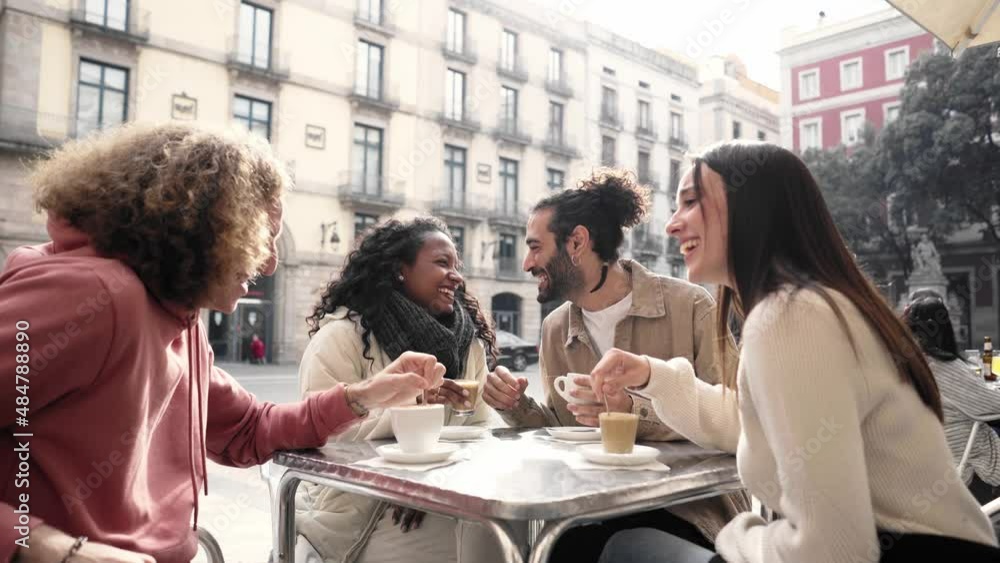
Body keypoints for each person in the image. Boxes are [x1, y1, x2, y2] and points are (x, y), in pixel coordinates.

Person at [0, 124, 447, 563]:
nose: (271, 263)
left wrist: (364, 396)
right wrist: (47, 548)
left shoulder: (179, 317)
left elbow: (248, 430)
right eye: (263, 237)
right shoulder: (96, 294)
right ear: (205, 226)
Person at [593, 141, 998, 562]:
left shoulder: (790, 317)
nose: (671, 225)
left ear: (754, 209)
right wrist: (650, 376)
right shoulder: (810, 307)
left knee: (623, 545)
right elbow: (755, 425)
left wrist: (738, 537)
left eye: (691, 202)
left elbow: (832, 551)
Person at [482, 169, 748, 561]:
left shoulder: (689, 306)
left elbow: (735, 418)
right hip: (594, 507)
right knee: (554, 550)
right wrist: (514, 406)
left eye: (536, 247)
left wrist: (633, 412)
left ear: (577, 242)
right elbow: (564, 435)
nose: (526, 263)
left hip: (688, 508)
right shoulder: (556, 328)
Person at [293, 217, 506, 563]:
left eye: (457, 265)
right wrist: (407, 414)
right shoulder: (342, 337)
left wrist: (432, 483)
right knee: (477, 539)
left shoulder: (469, 346)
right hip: (359, 506)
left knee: (494, 531)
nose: (456, 275)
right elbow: (322, 438)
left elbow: (482, 431)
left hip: (449, 493)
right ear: (399, 270)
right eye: (441, 263)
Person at [903, 297, 1000, 503]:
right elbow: (994, 405)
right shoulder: (942, 365)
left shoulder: (908, 364)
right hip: (962, 459)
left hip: (925, 458)